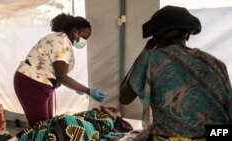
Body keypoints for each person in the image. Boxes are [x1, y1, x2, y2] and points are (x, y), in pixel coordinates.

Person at [119, 5, 232, 141]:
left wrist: (145, 52)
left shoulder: (152, 58)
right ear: (188, 35)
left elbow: (124, 97)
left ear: (155, 38)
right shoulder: (216, 64)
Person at [14, 13, 107, 127]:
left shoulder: (61, 40)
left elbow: (56, 73)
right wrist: (88, 91)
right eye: (84, 37)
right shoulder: (61, 40)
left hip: (42, 84)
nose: (84, 41)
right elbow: (62, 77)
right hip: (32, 82)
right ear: (74, 31)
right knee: (41, 128)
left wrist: (79, 89)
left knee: (48, 125)